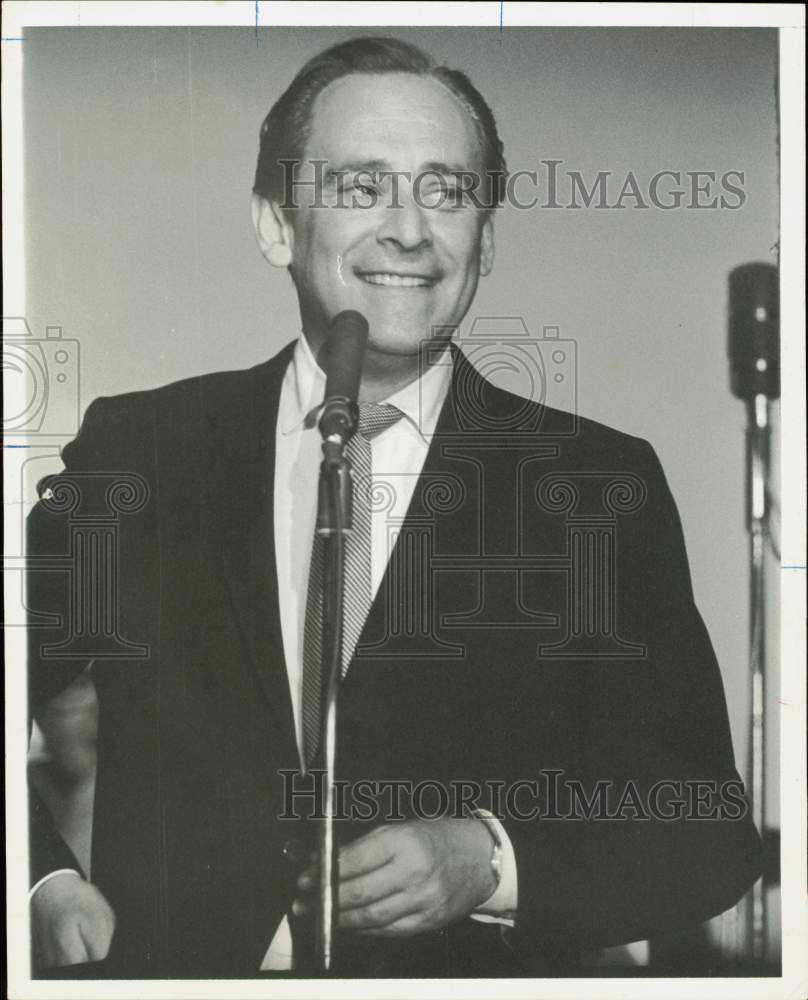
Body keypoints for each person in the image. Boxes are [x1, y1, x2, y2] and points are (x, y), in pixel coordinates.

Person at [27, 36, 761, 978]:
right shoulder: (144, 450)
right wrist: (38, 884)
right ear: (276, 225)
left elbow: (707, 828)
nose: (410, 229)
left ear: (485, 238)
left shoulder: (594, 485)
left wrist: (492, 860)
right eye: (362, 185)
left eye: (446, 191)